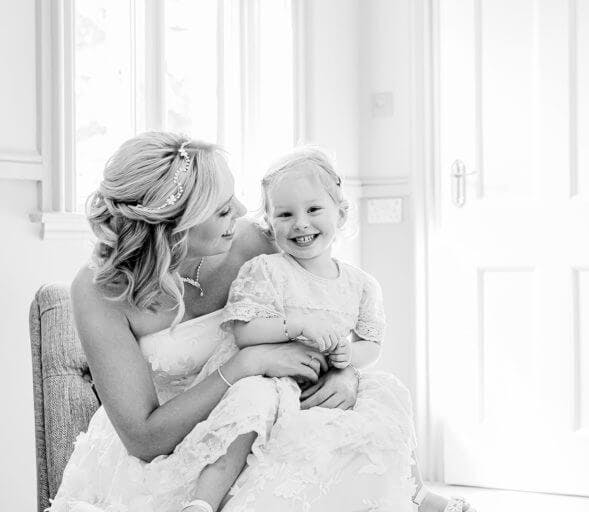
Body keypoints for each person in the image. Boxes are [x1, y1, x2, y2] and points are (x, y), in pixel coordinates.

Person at [49, 132, 473, 512]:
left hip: (270, 421)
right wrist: (248, 363)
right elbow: (144, 439)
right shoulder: (99, 290)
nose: (242, 210)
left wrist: (343, 374)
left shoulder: (258, 241)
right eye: (220, 210)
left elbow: (329, 311)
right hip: (171, 452)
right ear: (175, 227)